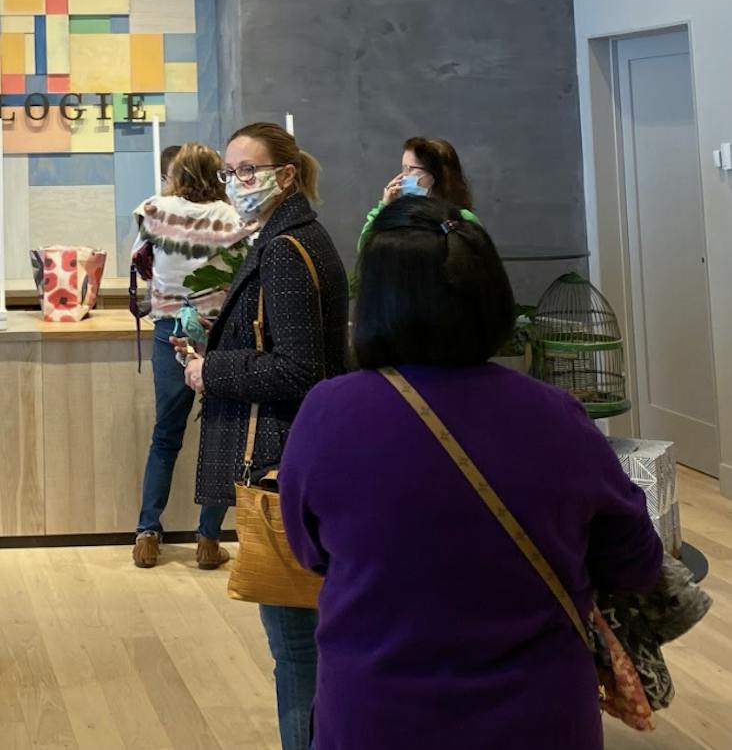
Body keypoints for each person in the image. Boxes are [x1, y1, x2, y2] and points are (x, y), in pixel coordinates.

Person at [280, 196, 663, 750]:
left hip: (377, 716)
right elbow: (635, 562)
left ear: (373, 303)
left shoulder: (328, 413)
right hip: (540, 718)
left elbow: (309, 551)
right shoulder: (557, 416)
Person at [179, 122, 347, 750]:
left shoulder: (284, 246)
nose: (237, 183)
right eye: (230, 173)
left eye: (248, 171)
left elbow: (300, 367)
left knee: (296, 648)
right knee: (307, 642)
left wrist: (209, 370)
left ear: (286, 173)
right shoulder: (290, 236)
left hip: (285, 461)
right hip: (307, 452)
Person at [131, 143, 252, 570]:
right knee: (219, 437)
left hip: (171, 331)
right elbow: (247, 268)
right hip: (221, 335)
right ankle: (207, 539)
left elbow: (142, 264)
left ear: (177, 174)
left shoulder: (155, 211)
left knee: (165, 435)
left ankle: (147, 534)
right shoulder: (233, 217)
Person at [358, 136, 478, 250]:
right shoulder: (403, 217)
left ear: (432, 175)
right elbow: (365, 248)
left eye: (409, 169)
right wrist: (384, 209)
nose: (402, 176)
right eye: (403, 168)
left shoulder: (463, 220)